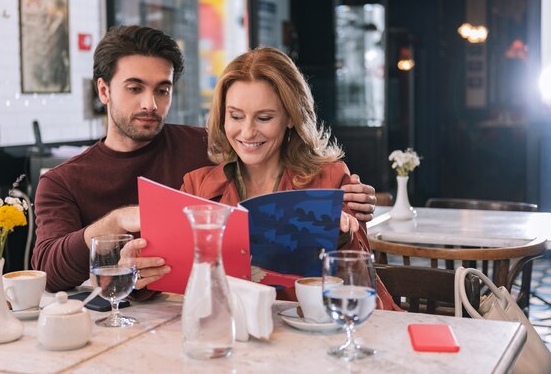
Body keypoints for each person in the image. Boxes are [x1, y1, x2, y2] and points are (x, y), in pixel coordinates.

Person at [32, 25, 377, 294]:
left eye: (162, 89)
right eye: (135, 88)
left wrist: (352, 208)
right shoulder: (62, 180)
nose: (150, 104)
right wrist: (118, 226)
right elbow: (48, 271)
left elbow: (360, 264)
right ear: (104, 91)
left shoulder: (209, 145)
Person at [180, 47, 398, 310]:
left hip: (318, 332)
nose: (247, 132)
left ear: (291, 118)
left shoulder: (331, 178)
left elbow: (359, 277)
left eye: (264, 118)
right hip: (234, 333)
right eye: (236, 116)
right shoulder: (197, 186)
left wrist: (343, 234)